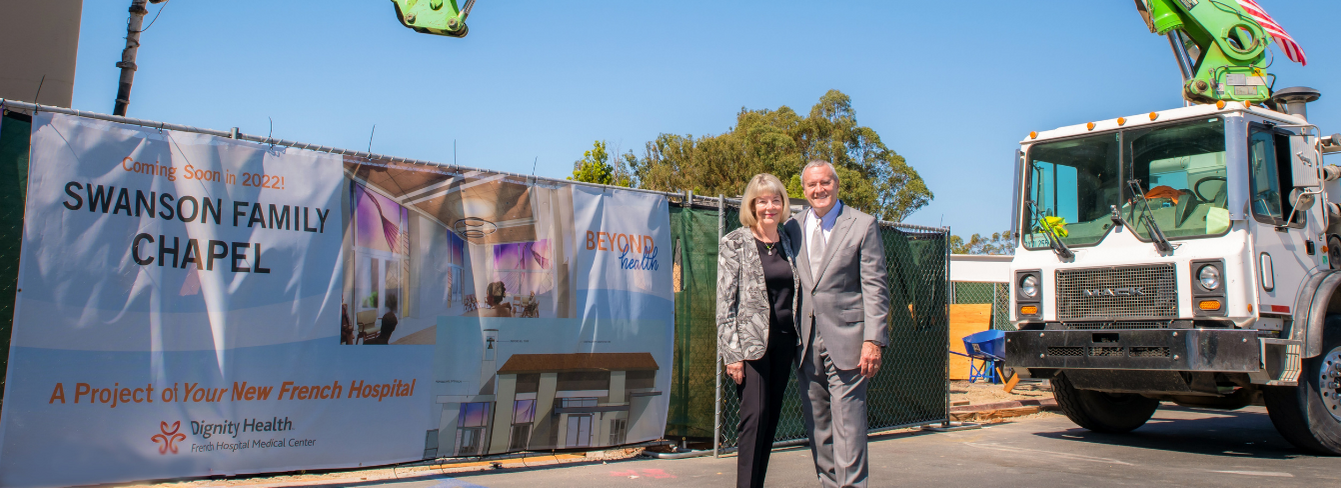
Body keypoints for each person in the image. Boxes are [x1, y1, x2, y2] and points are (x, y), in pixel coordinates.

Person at [785, 161, 890, 488]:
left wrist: (873, 339)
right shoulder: (791, 227)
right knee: (819, 428)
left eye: (825, 183)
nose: (819, 190)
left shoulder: (863, 225)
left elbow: (875, 286)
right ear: (804, 190)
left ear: (836, 184)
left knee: (850, 426)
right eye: (812, 185)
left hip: (849, 342)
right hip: (805, 343)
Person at [717, 173, 801, 488]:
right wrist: (732, 354)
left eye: (775, 200)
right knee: (755, 417)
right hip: (750, 345)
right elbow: (725, 303)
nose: (769, 207)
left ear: (783, 204)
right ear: (752, 205)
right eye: (762, 201)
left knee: (769, 421)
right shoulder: (735, 241)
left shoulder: (789, 242)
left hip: (785, 342)